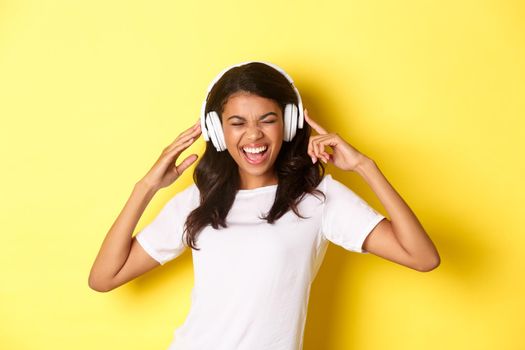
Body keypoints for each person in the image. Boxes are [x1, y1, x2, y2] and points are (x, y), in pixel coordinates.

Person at [88, 61, 441, 350]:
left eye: (267, 120)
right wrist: (146, 187)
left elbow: (422, 257)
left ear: (288, 124)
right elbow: (104, 278)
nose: (254, 135)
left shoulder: (318, 198)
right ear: (217, 131)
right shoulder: (198, 202)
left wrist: (366, 167)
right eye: (237, 123)